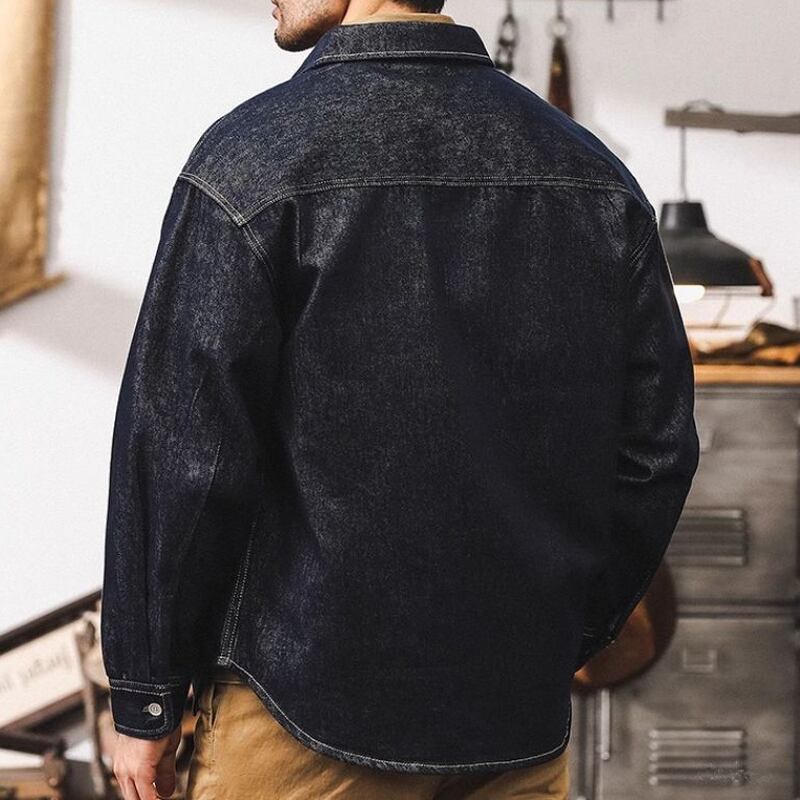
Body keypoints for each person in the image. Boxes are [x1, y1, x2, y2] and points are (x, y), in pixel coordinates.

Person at [100, 0, 700, 798]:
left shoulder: (253, 161)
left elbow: (181, 455)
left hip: (298, 725)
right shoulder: (593, 175)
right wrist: (554, 635)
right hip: (511, 726)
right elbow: (656, 449)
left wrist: (146, 697)